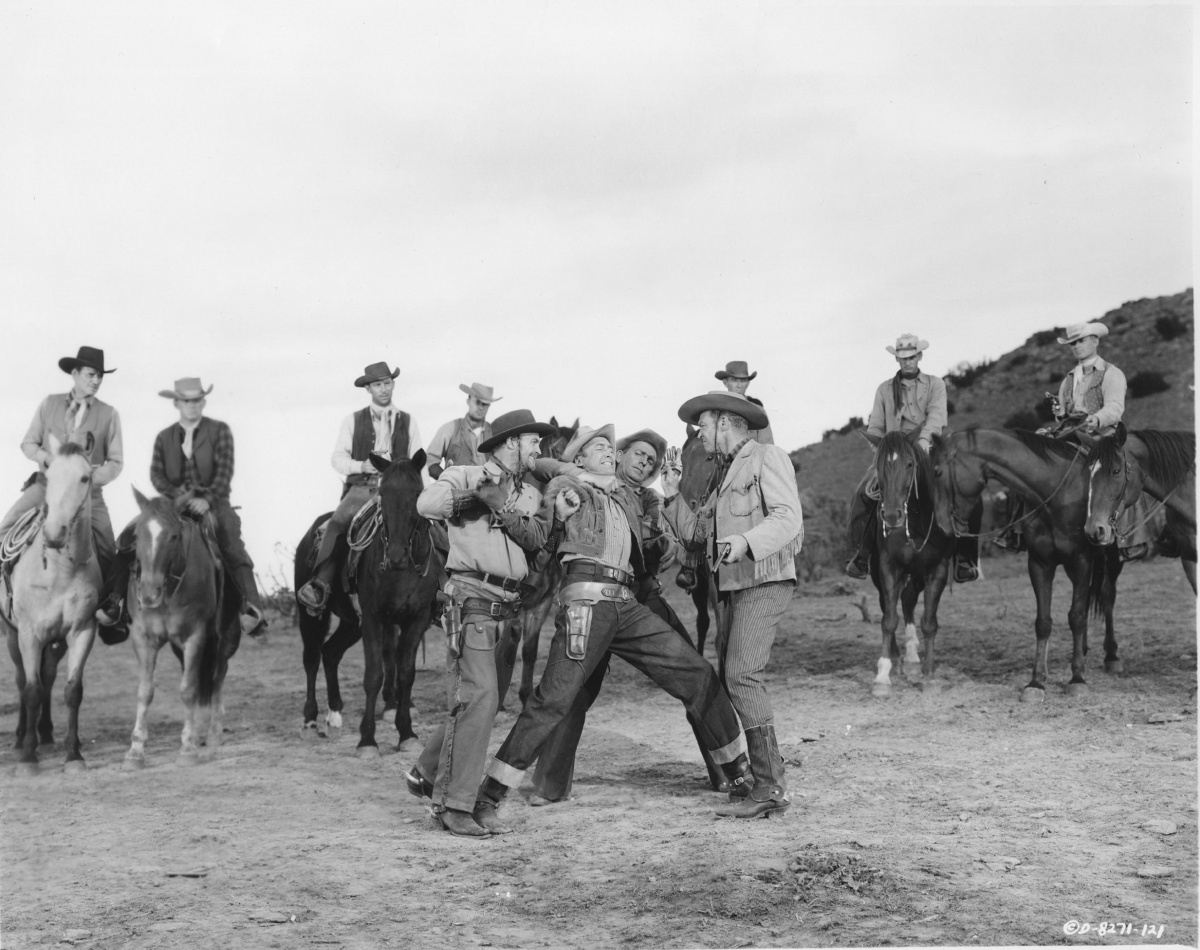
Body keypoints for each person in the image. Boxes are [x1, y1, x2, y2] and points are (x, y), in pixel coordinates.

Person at [472, 425, 752, 829]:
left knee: (698, 673)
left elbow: (664, 548)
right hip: (587, 601)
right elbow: (537, 537)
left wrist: (668, 502)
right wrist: (506, 502)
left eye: (608, 446)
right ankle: (490, 795)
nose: (606, 451)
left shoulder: (628, 499)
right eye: (598, 447)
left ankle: (739, 772)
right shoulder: (569, 488)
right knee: (553, 700)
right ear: (580, 458)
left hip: (629, 605)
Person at [528, 428, 732, 805]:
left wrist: (660, 538)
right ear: (619, 456)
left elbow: (667, 547)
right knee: (573, 690)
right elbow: (546, 466)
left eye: (651, 460)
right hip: (594, 598)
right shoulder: (586, 483)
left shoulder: (652, 501)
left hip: (643, 598)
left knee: (693, 671)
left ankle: (725, 771)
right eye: (638, 453)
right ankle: (549, 785)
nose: (644, 462)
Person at [403, 409, 567, 838]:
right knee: (480, 699)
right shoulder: (464, 473)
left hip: (511, 607)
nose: (539, 449)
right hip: (472, 600)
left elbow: (538, 547)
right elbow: (425, 504)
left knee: (482, 701)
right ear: (511, 443)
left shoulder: (529, 494)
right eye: (534, 441)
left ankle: (425, 770)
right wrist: (481, 494)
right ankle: (452, 805)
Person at [662, 390, 803, 819]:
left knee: (742, 675)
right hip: (732, 589)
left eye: (703, 426)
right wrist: (671, 497)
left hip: (765, 579)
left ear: (725, 423)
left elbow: (788, 518)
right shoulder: (719, 476)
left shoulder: (768, 457)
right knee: (734, 675)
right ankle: (762, 780)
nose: (699, 434)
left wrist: (744, 541)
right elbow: (695, 536)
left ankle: (770, 786)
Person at [96, 379, 267, 642]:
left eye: (197, 400)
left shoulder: (219, 431)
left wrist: (207, 499)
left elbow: (224, 471)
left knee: (232, 544)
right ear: (177, 403)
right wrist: (179, 498)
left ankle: (251, 609)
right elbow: (157, 475)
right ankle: (114, 602)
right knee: (129, 538)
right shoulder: (164, 437)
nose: (192, 405)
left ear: (203, 402)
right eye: (187, 401)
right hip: (171, 504)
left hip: (214, 502)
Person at [1, 347, 123, 637]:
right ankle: (7, 598)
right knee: (4, 528)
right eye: (92, 375)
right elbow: (28, 444)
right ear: (75, 374)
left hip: (86, 494)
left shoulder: (109, 414)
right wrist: (48, 461)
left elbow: (116, 462)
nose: (96, 381)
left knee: (109, 550)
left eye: (100, 377)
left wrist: (89, 477)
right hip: (45, 487)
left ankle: (111, 613)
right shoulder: (49, 405)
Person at [1004, 321, 1150, 559]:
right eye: (1072, 343)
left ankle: (1130, 540)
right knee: (1029, 461)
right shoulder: (1069, 379)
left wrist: (1096, 419)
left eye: (1080, 341)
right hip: (1070, 431)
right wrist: (1060, 414)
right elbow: (1065, 412)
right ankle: (1017, 532)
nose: (1076, 346)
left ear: (1095, 341)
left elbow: (1115, 407)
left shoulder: (1112, 373)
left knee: (1123, 470)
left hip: (1102, 434)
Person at [844, 334, 979, 583]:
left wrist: (922, 444)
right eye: (903, 358)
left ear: (919, 356)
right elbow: (875, 426)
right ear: (896, 359)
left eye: (912, 357)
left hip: (927, 448)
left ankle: (965, 558)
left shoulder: (935, 384)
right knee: (864, 491)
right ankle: (860, 555)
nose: (907, 362)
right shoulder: (884, 390)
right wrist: (880, 453)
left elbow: (937, 418)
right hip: (894, 453)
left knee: (964, 487)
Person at [296, 361, 422, 612]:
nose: (383, 389)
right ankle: (321, 583)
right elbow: (337, 459)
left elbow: (417, 464)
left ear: (393, 384)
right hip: (362, 488)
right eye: (377, 385)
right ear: (368, 389)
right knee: (338, 522)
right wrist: (359, 466)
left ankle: (434, 590)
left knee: (428, 527)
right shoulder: (352, 421)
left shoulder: (409, 422)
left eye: (387, 383)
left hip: (398, 491)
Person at [425, 382, 501, 480]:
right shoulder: (450, 428)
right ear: (468, 401)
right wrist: (448, 480)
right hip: (455, 493)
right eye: (477, 402)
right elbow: (429, 460)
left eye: (485, 404)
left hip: (488, 492)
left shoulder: (495, 433)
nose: (481, 408)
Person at [715, 361, 774, 444]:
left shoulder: (757, 411)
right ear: (725, 382)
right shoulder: (716, 410)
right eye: (734, 380)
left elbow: (767, 446)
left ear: (748, 383)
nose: (739, 385)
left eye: (743, 380)